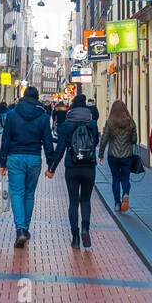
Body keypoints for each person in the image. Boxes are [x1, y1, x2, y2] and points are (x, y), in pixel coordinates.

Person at [0, 84, 54, 247]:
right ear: (37, 98)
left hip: (15, 158)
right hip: (34, 158)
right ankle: (25, 228)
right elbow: (48, 142)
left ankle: (21, 229)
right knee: (29, 194)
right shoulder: (43, 117)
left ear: (23, 97)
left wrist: (2, 162)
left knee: (16, 193)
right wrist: (51, 165)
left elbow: (5, 139)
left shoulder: (12, 115)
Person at [48, 93, 99, 248]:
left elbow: (61, 149)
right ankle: (85, 228)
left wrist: (52, 168)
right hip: (89, 166)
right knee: (85, 200)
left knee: (73, 202)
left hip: (72, 166)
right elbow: (95, 142)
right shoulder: (92, 123)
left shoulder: (66, 124)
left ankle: (75, 237)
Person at [99, 100, 138, 212]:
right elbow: (134, 140)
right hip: (127, 155)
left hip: (113, 155)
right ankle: (125, 194)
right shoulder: (131, 122)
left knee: (115, 179)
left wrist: (101, 154)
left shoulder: (110, 121)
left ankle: (117, 203)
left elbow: (104, 138)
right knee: (125, 178)